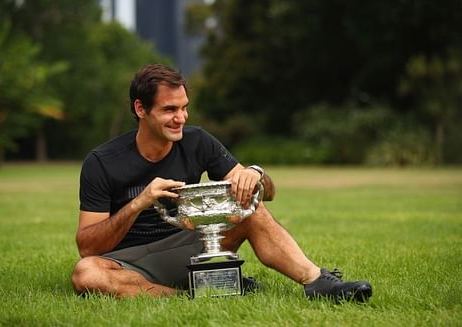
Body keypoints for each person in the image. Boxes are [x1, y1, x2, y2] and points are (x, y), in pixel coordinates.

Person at [71, 64, 372, 302]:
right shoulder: (102, 161)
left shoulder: (198, 141)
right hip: (128, 261)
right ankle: (198, 291)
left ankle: (317, 281)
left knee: (251, 211)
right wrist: (140, 202)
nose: (181, 118)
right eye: (169, 110)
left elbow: (266, 194)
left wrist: (255, 174)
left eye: (184, 107)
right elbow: (88, 247)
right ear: (140, 109)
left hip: (187, 244)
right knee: (86, 274)